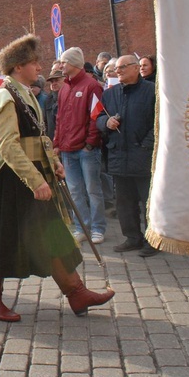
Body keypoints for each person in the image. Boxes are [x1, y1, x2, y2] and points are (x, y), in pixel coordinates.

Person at [0, 34, 114, 322]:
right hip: (8, 182)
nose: (40, 67)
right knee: (1, 240)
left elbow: (36, 138)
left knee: (52, 236)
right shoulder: (4, 96)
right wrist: (36, 181)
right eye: (34, 62)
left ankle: (76, 292)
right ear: (18, 66)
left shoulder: (24, 94)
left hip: (29, 178)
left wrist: (53, 163)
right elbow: (7, 145)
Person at [96, 55, 158, 257]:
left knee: (148, 201)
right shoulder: (110, 94)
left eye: (122, 67)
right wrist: (106, 122)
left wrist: (145, 145)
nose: (118, 71)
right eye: (116, 68)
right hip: (118, 155)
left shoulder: (151, 91)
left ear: (135, 68)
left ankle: (153, 240)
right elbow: (98, 117)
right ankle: (132, 237)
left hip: (143, 157)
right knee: (124, 202)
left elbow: (159, 122)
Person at [54, 47, 107, 244]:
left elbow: (95, 116)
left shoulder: (91, 86)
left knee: (93, 190)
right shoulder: (64, 88)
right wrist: (57, 143)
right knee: (75, 190)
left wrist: (90, 143)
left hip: (86, 149)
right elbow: (59, 118)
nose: (60, 66)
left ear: (75, 63)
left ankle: (98, 228)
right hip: (68, 150)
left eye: (63, 62)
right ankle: (81, 227)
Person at [44, 67, 64, 141]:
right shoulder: (48, 100)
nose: (54, 84)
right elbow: (45, 122)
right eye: (52, 82)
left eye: (56, 80)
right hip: (52, 141)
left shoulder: (70, 97)